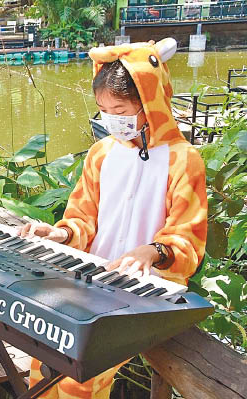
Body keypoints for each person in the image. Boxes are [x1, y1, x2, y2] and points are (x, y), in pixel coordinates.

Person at [18, 38, 208, 399]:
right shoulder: (101, 153)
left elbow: (189, 238)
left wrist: (152, 251)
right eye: (104, 110)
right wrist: (60, 234)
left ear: (149, 103)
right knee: (42, 359)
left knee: (79, 378)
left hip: (145, 294)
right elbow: (83, 217)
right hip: (91, 280)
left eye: (120, 109)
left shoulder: (184, 160)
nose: (111, 120)